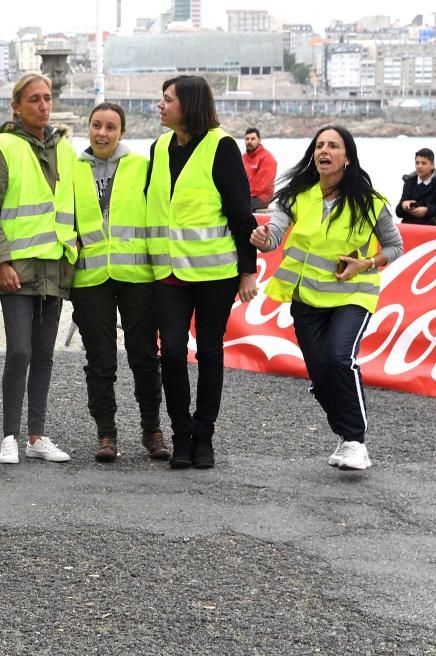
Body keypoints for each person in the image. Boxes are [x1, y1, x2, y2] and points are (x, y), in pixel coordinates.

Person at [249, 125, 403, 471]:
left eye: (333, 146)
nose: (325, 151)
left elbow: (396, 246)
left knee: (338, 358)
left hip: (353, 294)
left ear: (347, 157)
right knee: (320, 373)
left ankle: (355, 441)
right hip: (307, 297)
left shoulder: (369, 201)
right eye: (320, 145)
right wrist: (262, 238)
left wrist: (367, 262)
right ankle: (345, 435)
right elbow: (273, 236)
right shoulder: (296, 195)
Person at [146, 75, 259, 470]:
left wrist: (249, 271)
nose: (160, 106)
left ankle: (204, 434)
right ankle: (181, 434)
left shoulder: (222, 147)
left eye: (167, 99)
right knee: (173, 352)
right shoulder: (158, 147)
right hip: (168, 272)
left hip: (215, 273)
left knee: (210, 351)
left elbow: (241, 214)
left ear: (188, 105)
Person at [0, 72, 77, 465]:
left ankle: (37, 434)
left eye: (47, 98)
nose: (43, 105)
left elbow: (76, 206)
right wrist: (0, 260)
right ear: (17, 106)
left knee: (45, 354)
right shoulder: (2, 147)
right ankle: (9, 436)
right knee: (19, 351)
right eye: (34, 99)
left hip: (55, 267)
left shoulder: (65, 149)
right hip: (17, 268)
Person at [70, 101, 168, 463]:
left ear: (122, 132)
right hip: (90, 276)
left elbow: (158, 218)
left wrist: (161, 270)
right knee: (100, 360)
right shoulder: (73, 169)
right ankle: (106, 434)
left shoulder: (142, 167)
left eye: (111, 127)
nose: (102, 133)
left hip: (137, 276)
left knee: (144, 356)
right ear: (88, 127)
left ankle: (151, 429)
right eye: (96, 125)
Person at [394, 147, 436, 226]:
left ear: (432, 165)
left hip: (432, 229)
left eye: (424, 163)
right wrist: (403, 205)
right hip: (409, 227)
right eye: (417, 163)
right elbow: (398, 213)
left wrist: (427, 211)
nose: (419, 166)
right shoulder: (409, 182)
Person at [242, 127, 277, 210]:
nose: (249, 141)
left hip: (261, 198)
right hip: (246, 197)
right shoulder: (242, 158)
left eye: (253, 139)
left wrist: (242, 195)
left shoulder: (267, 158)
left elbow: (263, 186)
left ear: (259, 140)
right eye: (247, 139)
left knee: (238, 207)